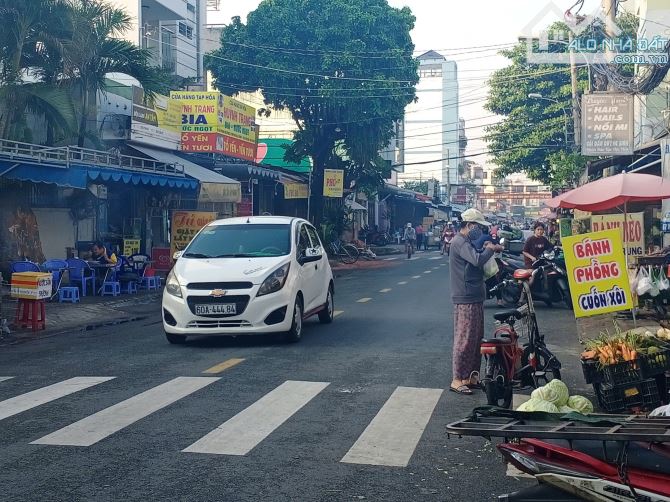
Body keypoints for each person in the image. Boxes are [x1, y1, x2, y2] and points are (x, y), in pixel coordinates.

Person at [449, 208, 504, 395]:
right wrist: (490, 249)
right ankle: (457, 379)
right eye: (479, 227)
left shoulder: (468, 241)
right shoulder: (459, 242)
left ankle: (471, 376)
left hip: (475, 295)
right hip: (466, 297)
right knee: (464, 340)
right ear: (470, 225)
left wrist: (486, 248)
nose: (481, 230)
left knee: (475, 339)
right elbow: (477, 260)